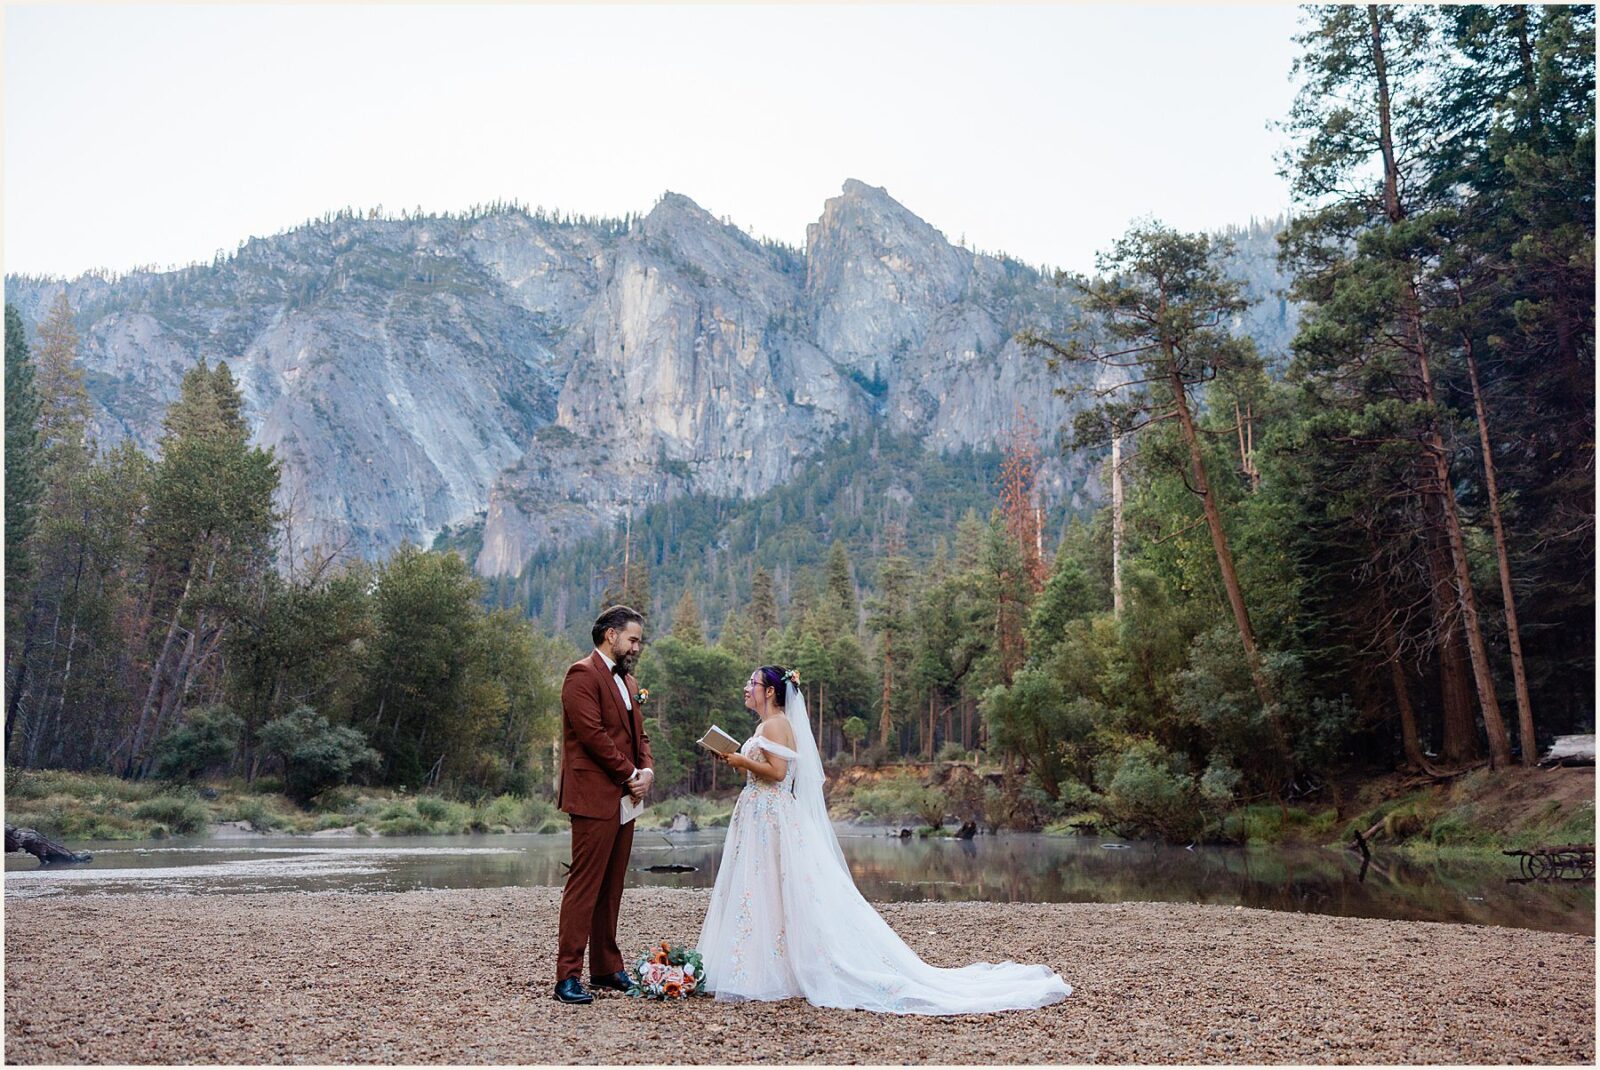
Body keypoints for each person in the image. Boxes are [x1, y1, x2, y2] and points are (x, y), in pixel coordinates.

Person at [696, 665, 1071, 1014]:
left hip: (772, 816)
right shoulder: (767, 726)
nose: (747, 688)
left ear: (771, 692)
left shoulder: (776, 725)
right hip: (760, 815)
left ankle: (776, 969)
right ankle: (766, 964)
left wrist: (741, 761)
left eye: (753, 683)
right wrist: (734, 760)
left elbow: (778, 774)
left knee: (774, 886)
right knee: (762, 889)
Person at [552, 605, 653, 1005]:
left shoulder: (628, 683)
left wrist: (647, 771)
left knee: (611, 887)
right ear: (610, 635)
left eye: (638, 641)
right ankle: (567, 977)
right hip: (595, 795)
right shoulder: (581, 674)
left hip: (626, 797)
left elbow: (639, 736)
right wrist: (629, 774)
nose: (637, 647)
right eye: (633, 639)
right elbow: (592, 735)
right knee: (585, 886)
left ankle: (607, 968)